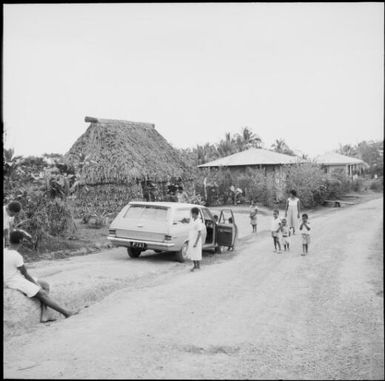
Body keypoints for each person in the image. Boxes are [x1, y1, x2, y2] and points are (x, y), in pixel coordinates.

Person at [4, 230, 77, 322]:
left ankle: (45, 315)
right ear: (21, 241)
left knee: (45, 285)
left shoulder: (5, 251)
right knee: (42, 292)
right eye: (23, 240)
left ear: (10, 240)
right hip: (13, 280)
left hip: (16, 276)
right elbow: (25, 274)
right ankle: (66, 312)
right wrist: (36, 285)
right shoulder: (17, 256)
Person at [187, 207, 204, 272]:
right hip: (192, 238)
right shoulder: (192, 220)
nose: (191, 215)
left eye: (192, 214)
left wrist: (196, 243)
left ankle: (197, 266)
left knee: (197, 253)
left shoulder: (198, 222)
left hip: (196, 240)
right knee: (192, 253)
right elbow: (189, 222)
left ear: (195, 214)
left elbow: (199, 233)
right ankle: (195, 265)